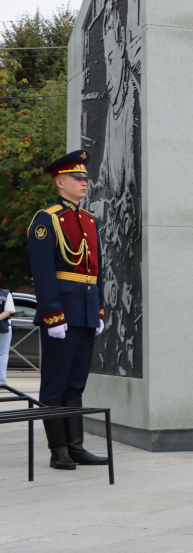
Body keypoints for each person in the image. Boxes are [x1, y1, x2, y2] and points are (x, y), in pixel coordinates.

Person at [28, 150, 109, 471]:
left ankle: (76, 446)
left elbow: (97, 270)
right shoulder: (46, 219)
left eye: (85, 178)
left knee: (76, 382)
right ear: (60, 182)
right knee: (55, 383)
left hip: (85, 309)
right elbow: (44, 272)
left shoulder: (89, 219)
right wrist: (52, 314)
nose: (84, 183)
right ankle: (58, 449)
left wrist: (99, 309)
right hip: (61, 311)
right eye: (77, 178)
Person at [0, 271, 12, 385]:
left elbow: (8, 311)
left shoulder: (5, 293)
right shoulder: (5, 293)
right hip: (3, 327)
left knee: (2, 354)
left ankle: (1, 381)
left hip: (3, 327)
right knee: (2, 354)